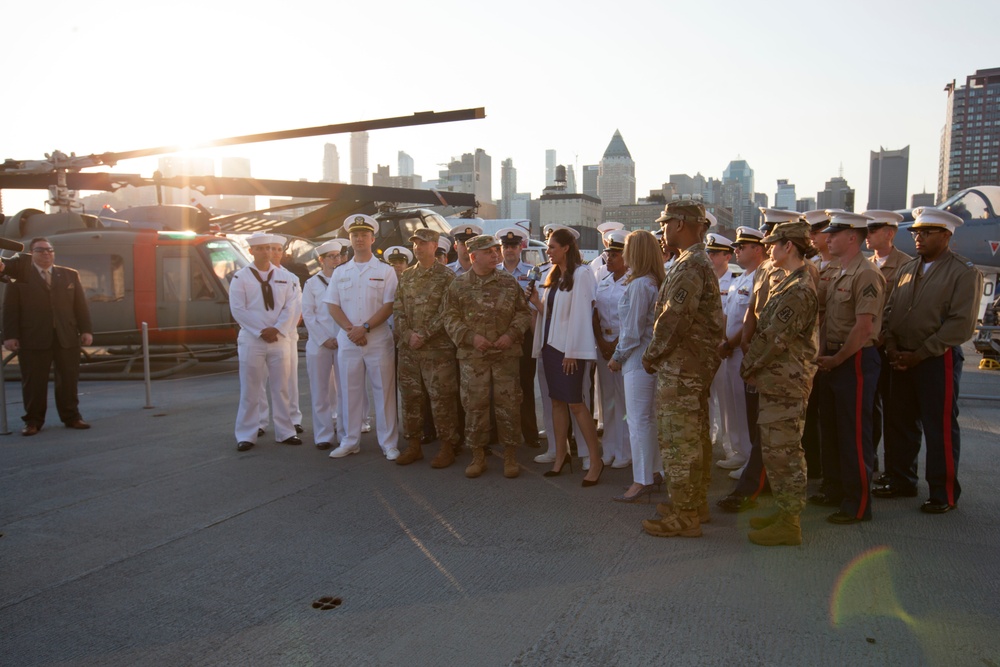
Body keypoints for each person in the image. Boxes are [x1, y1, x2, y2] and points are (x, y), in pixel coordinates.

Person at [878, 207, 983, 513]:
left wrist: (920, 354)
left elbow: (960, 325)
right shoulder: (907, 269)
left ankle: (943, 492)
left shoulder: (963, 272)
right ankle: (901, 479)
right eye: (916, 233)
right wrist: (893, 346)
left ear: (946, 236)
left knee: (939, 427)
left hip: (937, 358)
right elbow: (891, 311)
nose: (918, 238)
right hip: (902, 357)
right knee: (899, 422)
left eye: (926, 233)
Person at [640, 201, 724, 538]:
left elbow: (673, 319)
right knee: (694, 437)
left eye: (665, 222)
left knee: (680, 441)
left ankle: (685, 515)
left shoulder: (691, 265)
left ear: (680, 224)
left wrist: (652, 355)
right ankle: (692, 504)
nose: (662, 228)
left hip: (682, 367)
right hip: (689, 366)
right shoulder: (692, 262)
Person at [740, 220, 819, 546]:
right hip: (777, 382)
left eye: (774, 244)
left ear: (790, 247)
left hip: (786, 384)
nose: (769, 249)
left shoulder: (798, 289)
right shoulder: (787, 282)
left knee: (785, 453)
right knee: (775, 451)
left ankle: (790, 522)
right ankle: (785, 512)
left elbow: (773, 338)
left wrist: (748, 365)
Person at [813, 210, 886, 525]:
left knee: (854, 433)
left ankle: (857, 504)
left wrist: (837, 359)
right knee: (829, 428)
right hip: (829, 359)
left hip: (853, 359)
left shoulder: (865, 274)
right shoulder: (831, 271)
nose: (827, 238)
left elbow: (864, 328)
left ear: (853, 237)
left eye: (834, 234)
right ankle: (834, 488)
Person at [443, 234, 531, 479]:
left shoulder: (508, 282)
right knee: (474, 406)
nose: (496, 255)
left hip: (506, 354)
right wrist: (472, 338)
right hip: (474, 357)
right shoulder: (458, 285)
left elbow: (523, 314)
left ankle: (511, 454)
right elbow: (449, 318)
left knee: (509, 404)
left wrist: (511, 335)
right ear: (473, 257)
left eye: (496, 251)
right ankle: (478, 455)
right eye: (489, 252)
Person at [529, 227, 604, 486]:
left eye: (551, 247)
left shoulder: (582, 274)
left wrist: (573, 351)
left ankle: (596, 460)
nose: (547, 251)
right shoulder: (554, 275)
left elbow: (582, 315)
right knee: (557, 403)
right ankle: (562, 456)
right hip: (551, 348)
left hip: (568, 352)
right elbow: (552, 315)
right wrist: (537, 301)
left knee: (576, 404)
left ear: (566, 248)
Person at [324, 214, 400, 460]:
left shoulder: (385, 271)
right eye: (355, 235)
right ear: (349, 238)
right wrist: (351, 330)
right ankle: (350, 440)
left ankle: (388, 443)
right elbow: (332, 305)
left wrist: (364, 327)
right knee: (349, 392)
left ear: (372, 238)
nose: (359, 239)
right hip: (348, 340)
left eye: (364, 235)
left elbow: (389, 305)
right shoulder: (340, 272)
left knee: (384, 393)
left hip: (377, 339)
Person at [2, 237, 93, 435]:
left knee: (68, 380)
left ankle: (72, 417)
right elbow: (9, 309)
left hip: (66, 337)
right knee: (34, 382)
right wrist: (10, 336)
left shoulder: (70, 275)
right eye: (40, 250)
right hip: (33, 338)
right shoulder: (19, 277)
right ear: (31, 254)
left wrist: (86, 330)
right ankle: (33, 421)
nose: (46, 254)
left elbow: (80, 306)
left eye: (49, 250)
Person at [393, 228, 461, 468]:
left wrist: (424, 334)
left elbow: (447, 312)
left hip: (437, 351)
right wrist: (408, 334)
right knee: (411, 398)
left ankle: (447, 446)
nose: (418, 247)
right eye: (415, 244)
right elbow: (398, 309)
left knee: (441, 399)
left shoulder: (446, 277)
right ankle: (414, 445)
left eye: (423, 243)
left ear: (435, 245)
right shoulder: (406, 276)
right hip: (409, 350)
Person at [228, 234, 302, 451]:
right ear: (251, 251)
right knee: (251, 389)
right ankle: (246, 434)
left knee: (281, 388)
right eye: (259, 249)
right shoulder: (241, 278)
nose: (265, 252)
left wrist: (277, 329)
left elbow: (292, 306)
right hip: (252, 340)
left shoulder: (285, 277)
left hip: (279, 339)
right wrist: (261, 331)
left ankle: (286, 431)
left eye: (268, 248)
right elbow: (238, 309)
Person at [609, 230, 666, 502]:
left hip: (637, 360)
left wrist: (616, 357)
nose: (623, 254)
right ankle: (654, 472)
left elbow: (631, 332)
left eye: (627, 248)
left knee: (638, 421)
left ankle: (641, 480)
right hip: (650, 359)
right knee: (648, 419)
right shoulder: (652, 281)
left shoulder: (640, 285)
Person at [714, 227, 766, 507]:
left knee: (747, 409)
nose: (737, 250)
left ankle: (748, 457)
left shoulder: (760, 277)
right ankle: (737, 450)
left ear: (757, 249)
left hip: (743, 352)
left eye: (742, 247)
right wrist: (723, 341)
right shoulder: (739, 279)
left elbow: (750, 322)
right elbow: (728, 316)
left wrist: (730, 343)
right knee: (731, 404)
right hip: (729, 350)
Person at [862, 210, 912, 477]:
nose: (866, 235)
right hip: (868, 346)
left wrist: (884, 338)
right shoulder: (866, 263)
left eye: (872, 230)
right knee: (868, 409)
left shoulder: (906, 265)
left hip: (889, 347)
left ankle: (898, 471)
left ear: (889, 233)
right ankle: (870, 461)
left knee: (895, 412)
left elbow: (901, 309)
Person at [495, 226, 540, 449]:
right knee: (498, 387)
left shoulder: (533, 272)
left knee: (525, 385)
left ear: (521, 247)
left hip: (524, 336)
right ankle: (499, 434)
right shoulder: (493, 272)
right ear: (501, 248)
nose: (510, 250)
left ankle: (530, 433)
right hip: (499, 337)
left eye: (513, 246)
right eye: (506, 246)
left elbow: (534, 304)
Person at [302, 239, 348, 450]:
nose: (336, 260)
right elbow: (308, 315)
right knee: (321, 390)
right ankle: (323, 434)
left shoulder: (345, 280)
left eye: (338, 256)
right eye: (332, 257)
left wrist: (340, 337)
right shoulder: (311, 284)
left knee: (345, 390)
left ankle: (345, 432)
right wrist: (324, 339)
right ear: (321, 260)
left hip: (342, 341)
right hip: (319, 344)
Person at [257, 234, 304, 436]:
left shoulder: (292, 278)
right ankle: (259, 421)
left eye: (278, 249)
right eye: (271, 248)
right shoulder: (254, 275)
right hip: (260, 334)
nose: (274, 253)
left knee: (289, 380)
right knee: (258, 380)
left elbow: (297, 308)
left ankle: (292, 419)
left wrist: (281, 329)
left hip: (286, 335)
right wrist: (264, 330)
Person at [593, 229, 630, 469]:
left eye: (614, 254)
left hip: (625, 347)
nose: (609, 259)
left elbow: (632, 319)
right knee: (608, 400)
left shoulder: (633, 282)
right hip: (603, 346)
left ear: (626, 257)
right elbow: (594, 313)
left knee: (625, 401)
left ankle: (625, 450)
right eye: (607, 254)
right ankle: (609, 448)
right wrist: (601, 342)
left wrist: (615, 346)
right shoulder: (603, 281)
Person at [705, 232, 739, 467]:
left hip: (726, 349)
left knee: (728, 402)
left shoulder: (736, 280)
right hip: (704, 349)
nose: (710, 256)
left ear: (727, 256)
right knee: (704, 398)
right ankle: (707, 441)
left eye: (715, 253)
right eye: (708, 252)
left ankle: (732, 448)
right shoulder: (702, 279)